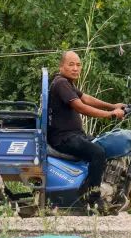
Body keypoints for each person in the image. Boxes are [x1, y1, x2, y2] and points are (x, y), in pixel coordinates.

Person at [47, 50, 125, 202]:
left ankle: (100, 189)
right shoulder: (61, 83)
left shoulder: (66, 83)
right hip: (64, 138)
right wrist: (111, 114)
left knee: (104, 145)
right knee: (98, 153)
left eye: (78, 65)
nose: (75, 68)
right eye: (71, 65)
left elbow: (86, 98)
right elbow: (80, 107)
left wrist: (113, 106)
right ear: (61, 66)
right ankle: (92, 197)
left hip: (73, 136)